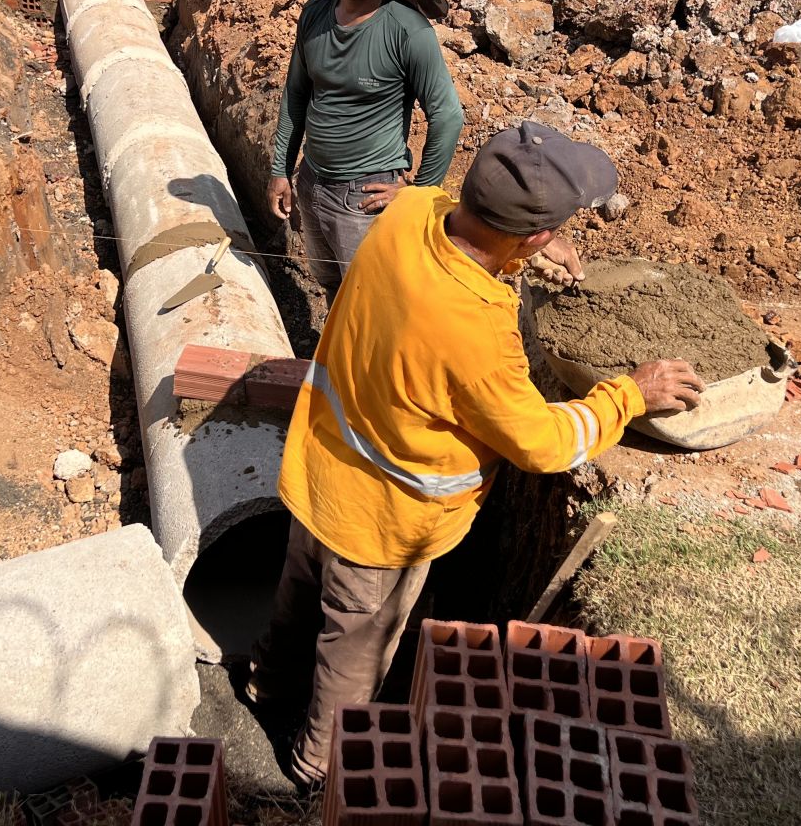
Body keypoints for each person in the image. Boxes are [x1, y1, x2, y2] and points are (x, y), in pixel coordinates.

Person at [247, 120, 706, 786]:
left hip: (319, 468)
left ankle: (264, 682)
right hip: (383, 525)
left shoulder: (410, 211)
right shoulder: (478, 337)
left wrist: (523, 253)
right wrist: (629, 396)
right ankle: (316, 770)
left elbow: (452, 222)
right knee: (354, 648)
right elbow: (542, 444)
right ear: (534, 233)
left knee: (298, 594)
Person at [268, 0, 464, 303]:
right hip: (312, 181)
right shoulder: (316, 14)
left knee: (373, 301)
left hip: (366, 196)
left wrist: (419, 194)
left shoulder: (406, 31)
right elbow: (296, 94)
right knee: (331, 289)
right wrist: (280, 170)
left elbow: (447, 116)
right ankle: (332, 361)